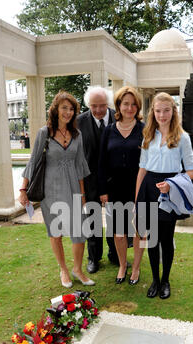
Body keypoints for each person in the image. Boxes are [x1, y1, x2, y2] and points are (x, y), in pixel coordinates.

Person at [19, 90, 94, 288]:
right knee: (56, 232)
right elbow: (33, 162)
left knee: (79, 230)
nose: (68, 112)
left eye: (71, 109)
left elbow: (80, 167)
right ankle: (63, 270)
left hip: (73, 187)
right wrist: (22, 189)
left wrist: (83, 195)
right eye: (64, 108)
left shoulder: (77, 135)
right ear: (56, 109)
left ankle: (78, 269)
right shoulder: (44, 133)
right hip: (50, 190)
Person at [135, 92, 193, 300]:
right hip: (148, 188)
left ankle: (166, 280)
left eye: (166, 110)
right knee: (151, 239)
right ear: (153, 112)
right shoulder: (148, 135)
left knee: (166, 238)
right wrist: (137, 199)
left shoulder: (183, 137)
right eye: (158, 110)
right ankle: (155, 279)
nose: (162, 115)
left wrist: (171, 185)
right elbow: (142, 169)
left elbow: (191, 171)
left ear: (173, 111)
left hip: (170, 190)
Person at [98, 86, 145, 285]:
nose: (130, 107)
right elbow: (101, 162)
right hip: (115, 188)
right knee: (118, 232)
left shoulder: (145, 130)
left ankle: (136, 268)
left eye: (134, 104)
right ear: (118, 105)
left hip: (140, 188)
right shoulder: (108, 131)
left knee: (140, 231)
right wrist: (102, 191)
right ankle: (123, 265)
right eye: (126, 103)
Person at [77, 86, 119, 273]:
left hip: (114, 180)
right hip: (90, 180)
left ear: (108, 104)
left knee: (115, 218)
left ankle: (115, 253)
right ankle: (94, 257)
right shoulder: (78, 122)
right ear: (88, 105)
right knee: (92, 220)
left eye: (102, 105)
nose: (99, 110)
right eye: (94, 106)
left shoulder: (119, 117)